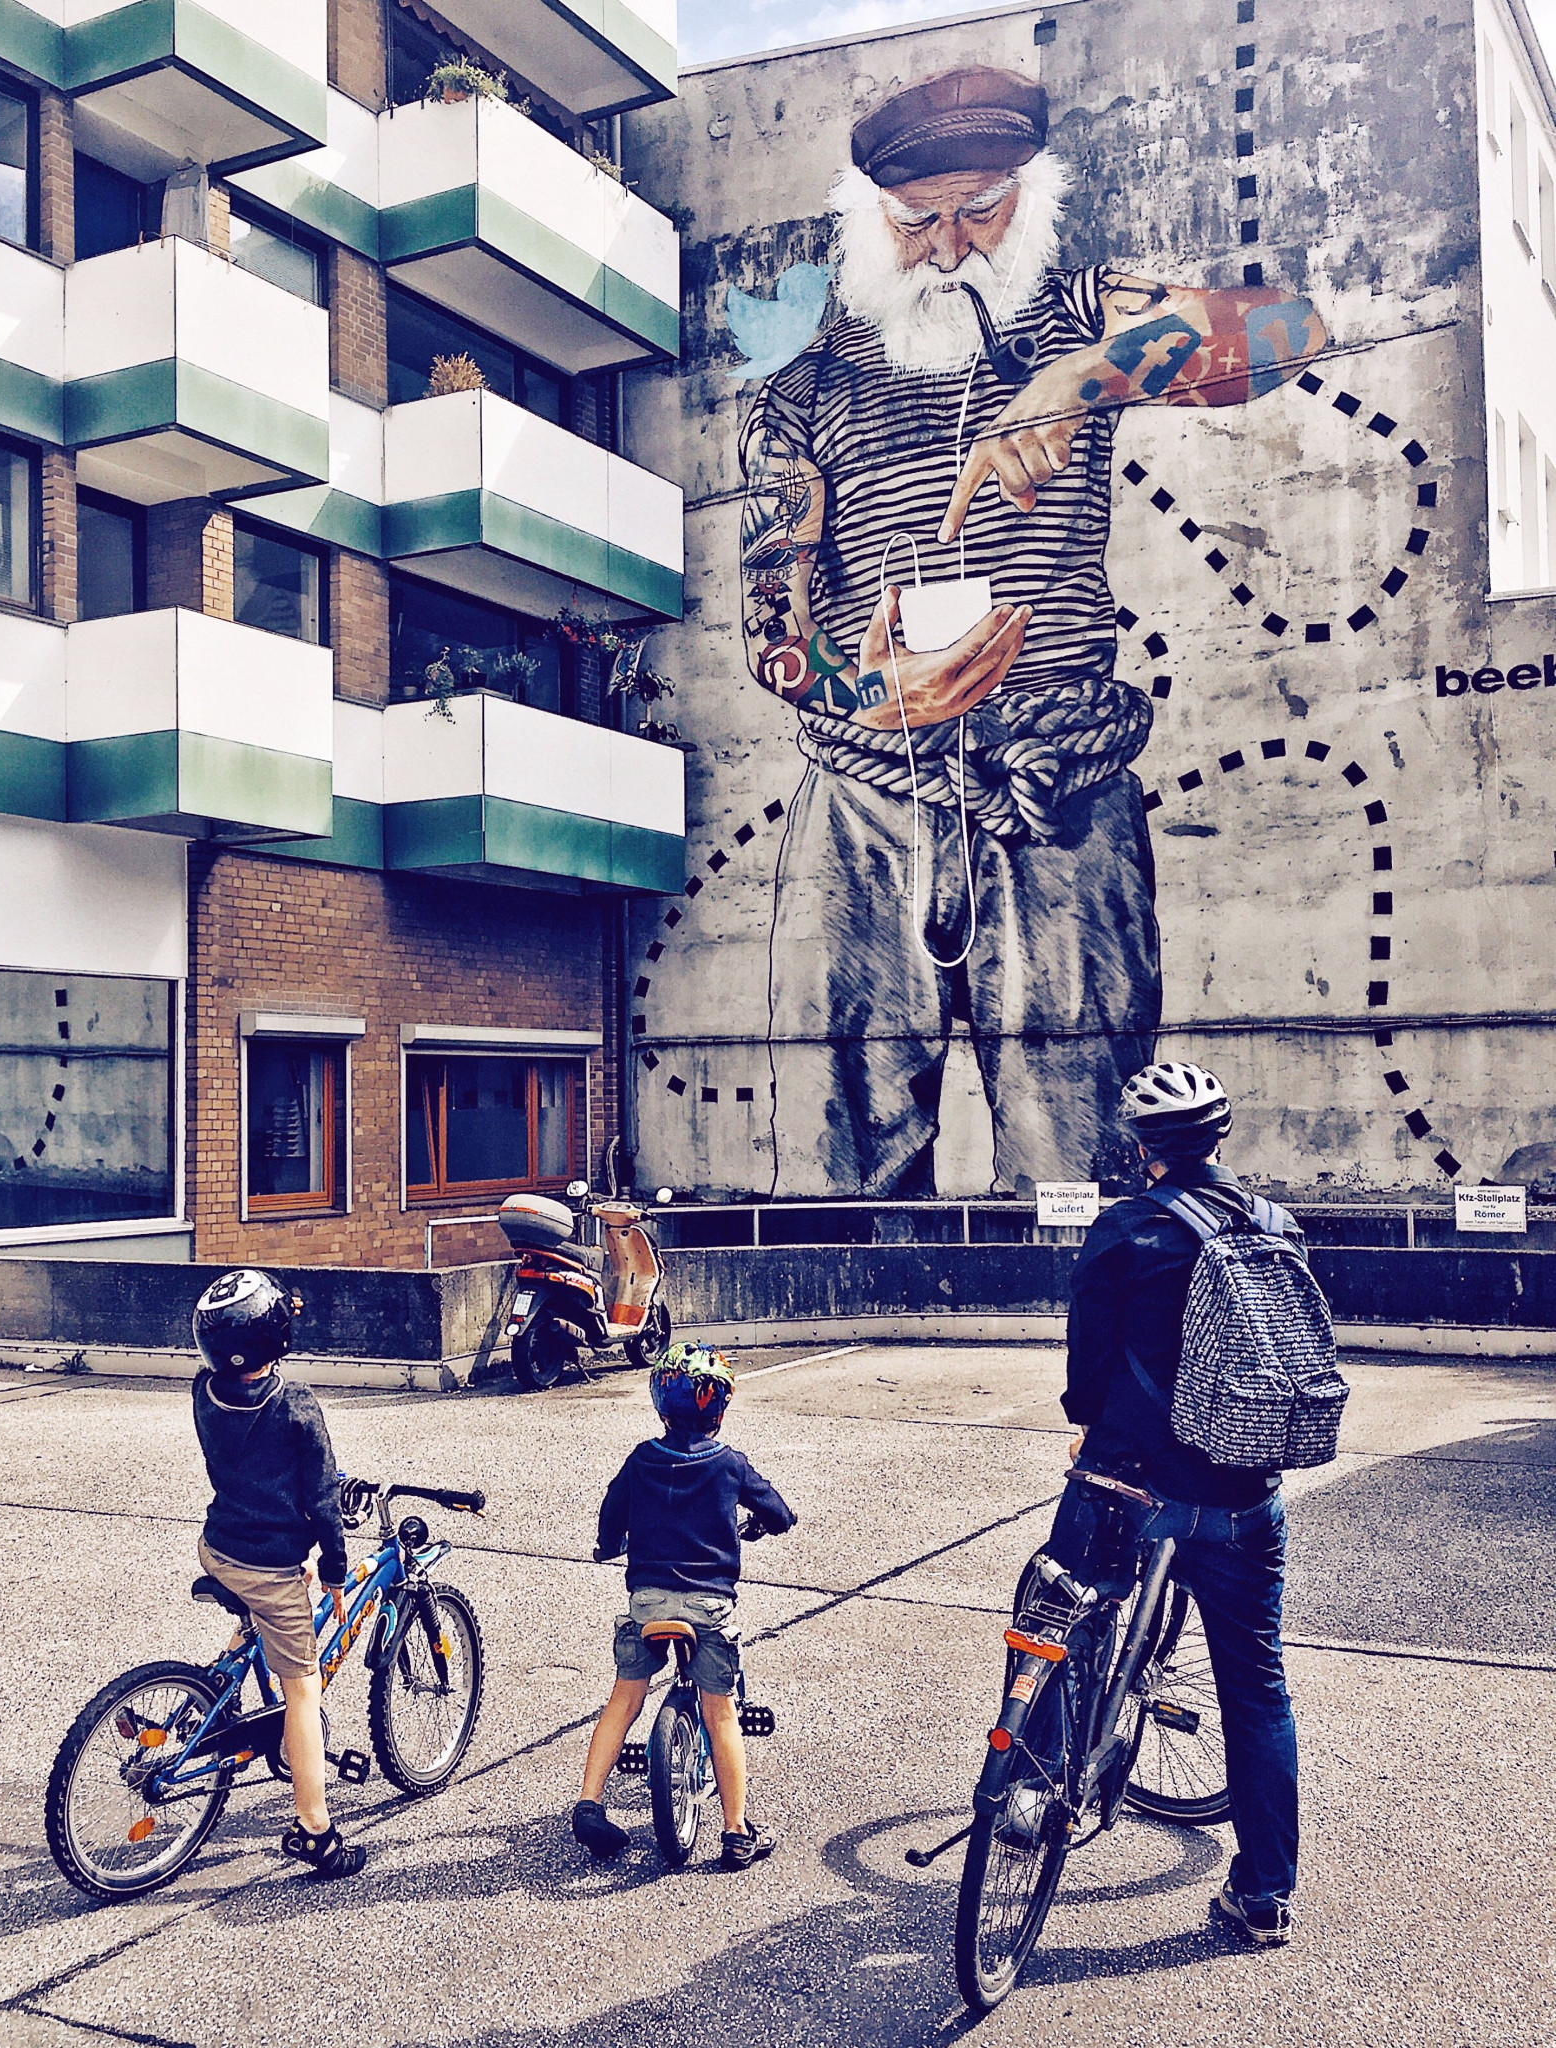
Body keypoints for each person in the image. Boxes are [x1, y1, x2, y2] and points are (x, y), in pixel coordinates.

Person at [739, 64, 1328, 1197]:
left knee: (1085, 1148)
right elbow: (771, 627)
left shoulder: (1084, 310)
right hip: (864, 799)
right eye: (916, 221)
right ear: (867, 219)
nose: (949, 246)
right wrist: (868, 690)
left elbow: (1288, 330)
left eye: (981, 210)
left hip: (1060, 783)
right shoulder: (798, 393)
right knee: (843, 1153)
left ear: (1029, 198)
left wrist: (1079, 380)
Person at [1047, 1060, 1300, 1945]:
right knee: (1256, 1690)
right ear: (1220, 1136)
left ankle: (1033, 1792)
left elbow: (1088, 1359)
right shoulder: (1274, 1225)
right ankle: (1263, 1896)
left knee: (1058, 1614)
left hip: (1131, 1480)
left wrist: (1087, 1424)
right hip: (1241, 1490)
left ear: (1141, 1146)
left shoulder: (1125, 1229)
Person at [572, 1343, 797, 1870]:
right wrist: (769, 1523)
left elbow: (611, 1513)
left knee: (624, 1698)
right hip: (708, 1606)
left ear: (660, 1406)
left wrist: (609, 1545)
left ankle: (589, 1803)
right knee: (721, 1712)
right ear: (719, 1409)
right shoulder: (729, 1464)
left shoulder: (641, 1459)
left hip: (648, 1603)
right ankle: (737, 1831)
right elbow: (779, 1512)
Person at [190, 1268, 365, 1881]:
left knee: (264, 1611)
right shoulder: (296, 1407)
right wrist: (335, 1570)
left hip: (219, 1546)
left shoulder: (203, 1391)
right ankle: (315, 1829)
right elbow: (322, 1500)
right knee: (303, 1691)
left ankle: (205, 1695)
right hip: (267, 1567)